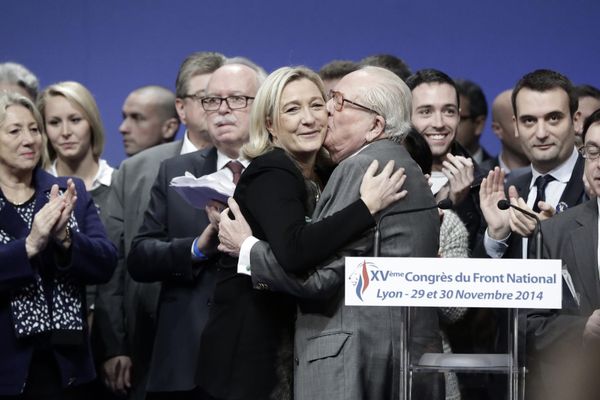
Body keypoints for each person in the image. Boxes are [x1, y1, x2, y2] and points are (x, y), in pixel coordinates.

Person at [218, 66, 444, 400]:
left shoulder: (362, 169)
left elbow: (318, 279)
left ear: (375, 126)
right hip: (397, 353)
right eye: (330, 99)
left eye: (337, 101)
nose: (326, 112)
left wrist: (248, 250)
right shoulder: (398, 163)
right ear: (270, 123)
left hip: (354, 357)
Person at [127, 59, 266, 400]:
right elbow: (140, 256)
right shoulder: (174, 171)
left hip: (258, 359)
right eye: (211, 100)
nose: (221, 110)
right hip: (183, 364)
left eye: (236, 99)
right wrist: (196, 248)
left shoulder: (282, 171)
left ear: (263, 106)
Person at [93, 51, 225, 400]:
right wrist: (113, 344)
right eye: (207, 98)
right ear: (181, 110)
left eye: (227, 97)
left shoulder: (255, 165)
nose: (219, 107)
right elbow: (117, 259)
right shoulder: (139, 170)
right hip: (150, 341)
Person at [0, 92, 116, 397]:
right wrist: (30, 245)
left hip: (67, 365)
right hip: (7, 365)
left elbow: (106, 262)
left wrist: (66, 238)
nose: (30, 140)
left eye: (34, 129)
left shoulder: (67, 191)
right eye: (15, 131)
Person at [525, 108, 600, 400]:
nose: (597, 165)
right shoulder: (554, 233)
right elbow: (530, 325)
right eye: (592, 153)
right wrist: (583, 328)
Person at [37, 81, 115, 328]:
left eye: (75, 119)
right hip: (56, 328)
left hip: (115, 325)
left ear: (92, 121)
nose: (65, 132)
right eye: (54, 122)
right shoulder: (35, 190)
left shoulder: (121, 183)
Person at [406, 69, 486, 252]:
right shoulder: (387, 178)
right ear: (406, 117)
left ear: (458, 116)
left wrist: (460, 204)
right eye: (426, 112)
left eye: (448, 111)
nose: (439, 123)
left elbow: (484, 268)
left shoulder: (483, 185)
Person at [119, 85, 180, 156]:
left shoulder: (188, 167)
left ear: (169, 128)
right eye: (124, 117)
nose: (122, 128)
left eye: (137, 118)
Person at [482, 89, 530, 175]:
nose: (537, 130)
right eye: (524, 121)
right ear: (497, 129)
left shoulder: (556, 176)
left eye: (532, 121)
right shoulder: (478, 178)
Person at [455, 79, 492, 165]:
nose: (442, 124)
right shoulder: (421, 170)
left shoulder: (497, 174)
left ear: (479, 124)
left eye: (457, 118)